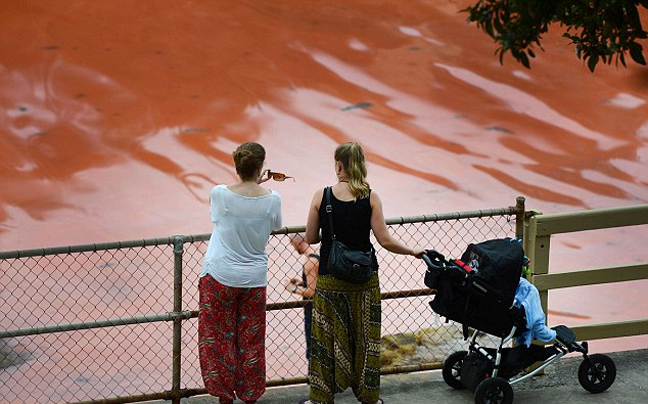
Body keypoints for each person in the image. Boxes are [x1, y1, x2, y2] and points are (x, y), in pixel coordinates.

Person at [301, 142, 425, 404]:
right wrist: (414, 251)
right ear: (361, 164)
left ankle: (321, 398)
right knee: (366, 339)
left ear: (338, 165)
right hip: (364, 281)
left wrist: (333, 233)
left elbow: (311, 238)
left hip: (330, 280)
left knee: (325, 338)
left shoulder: (321, 196)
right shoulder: (371, 197)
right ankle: (369, 398)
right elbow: (385, 241)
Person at [198, 142, 283, 404]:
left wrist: (252, 181)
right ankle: (250, 395)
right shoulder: (272, 199)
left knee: (218, 339)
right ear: (260, 167)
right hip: (254, 279)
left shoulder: (220, 194)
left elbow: (218, 218)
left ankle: (224, 396)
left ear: (236, 166)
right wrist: (261, 184)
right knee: (251, 340)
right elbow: (275, 226)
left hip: (220, 275)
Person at [284, 233, 320, 359]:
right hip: (322, 307)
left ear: (298, 242)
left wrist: (292, 288)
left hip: (312, 310)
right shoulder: (318, 255)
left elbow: (311, 291)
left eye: (293, 244)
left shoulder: (309, 262)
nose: (294, 248)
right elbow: (316, 282)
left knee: (312, 350)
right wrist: (302, 283)